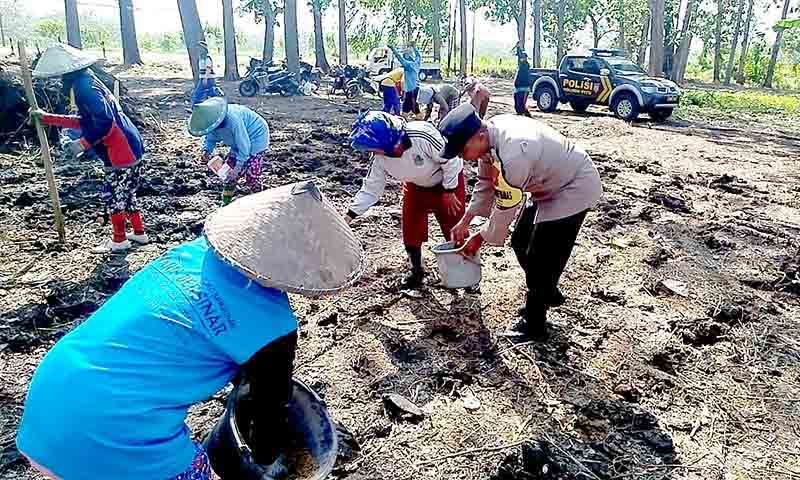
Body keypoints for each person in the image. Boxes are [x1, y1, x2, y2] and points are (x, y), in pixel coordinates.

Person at [16, 181, 365, 480]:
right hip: (114, 436)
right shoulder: (274, 329)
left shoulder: (184, 255)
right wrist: (266, 456)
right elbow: (266, 427)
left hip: (46, 408)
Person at [438, 104, 603, 340]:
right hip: (544, 183)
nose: (462, 156)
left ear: (479, 136)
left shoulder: (514, 152)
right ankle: (546, 290)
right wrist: (466, 221)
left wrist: (480, 237)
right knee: (520, 240)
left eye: (462, 149)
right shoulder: (488, 140)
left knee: (541, 256)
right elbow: (485, 183)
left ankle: (535, 323)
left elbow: (505, 207)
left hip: (572, 186)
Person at [29, 44, 147, 254]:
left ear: (67, 74)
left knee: (113, 196)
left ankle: (119, 241)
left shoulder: (85, 89)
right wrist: (48, 118)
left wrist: (82, 144)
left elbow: (104, 121)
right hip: (131, 144)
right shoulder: (89, 81)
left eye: (60, 78)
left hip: (120, 151)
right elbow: (87, 121)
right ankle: (139, 233)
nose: (58, 83)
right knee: (127, 194)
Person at [346, 111, 464, 289]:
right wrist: (348, 217)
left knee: (454, 227)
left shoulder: (421, 135)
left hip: (446, 182)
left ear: (386, 140)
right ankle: (416, 272)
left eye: (372, 146)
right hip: (416, 185)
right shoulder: (379, 159)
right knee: (411, 227)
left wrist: (449, 190)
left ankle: (465, 273)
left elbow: (451, 160)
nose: (370, 151)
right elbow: (371, 188)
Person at [189, 97, 270, 205]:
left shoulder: (233, 120)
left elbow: (244, 147)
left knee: (252, 177)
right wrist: (206, 151)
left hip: (256, 137)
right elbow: (210, 137)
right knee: (228, 177)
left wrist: (236, 170)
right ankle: (225, 204)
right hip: (237, 143)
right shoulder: (211, 123)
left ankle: (262, 201)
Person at [389, 45, 422, 120]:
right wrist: (415, 48)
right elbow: (418, 55)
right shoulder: (417, 62)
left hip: (411, 89)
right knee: (414, 105)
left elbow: (399, 58)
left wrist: (393, 49)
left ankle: (405, 121)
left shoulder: (408, 65)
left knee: (407, 106)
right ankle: (418, 118)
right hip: (417, 88)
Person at [192, 40, 224, 107]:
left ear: (203, 49)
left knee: (198, 93)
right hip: (205, 78)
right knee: (210, 93)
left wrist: (205, 78)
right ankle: (220, 101)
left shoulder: (207, 58)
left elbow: (208, 68)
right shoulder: (201, 58)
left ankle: (194, 107)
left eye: (200, 48)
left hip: (208, 78)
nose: (198, 50)